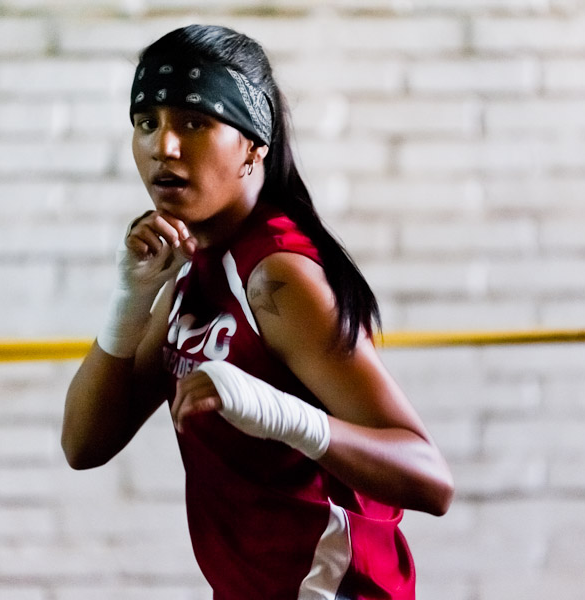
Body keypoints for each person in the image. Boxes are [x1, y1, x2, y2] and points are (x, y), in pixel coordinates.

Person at [61, 24, 454, 600]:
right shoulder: (192, 269)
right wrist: (129, 304)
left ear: (252, 143)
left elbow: (429, 478)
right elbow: (85, 445)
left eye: (193, 123)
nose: (163, 147)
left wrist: (282, 414)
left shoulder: (275, 277)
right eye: (147, 123)